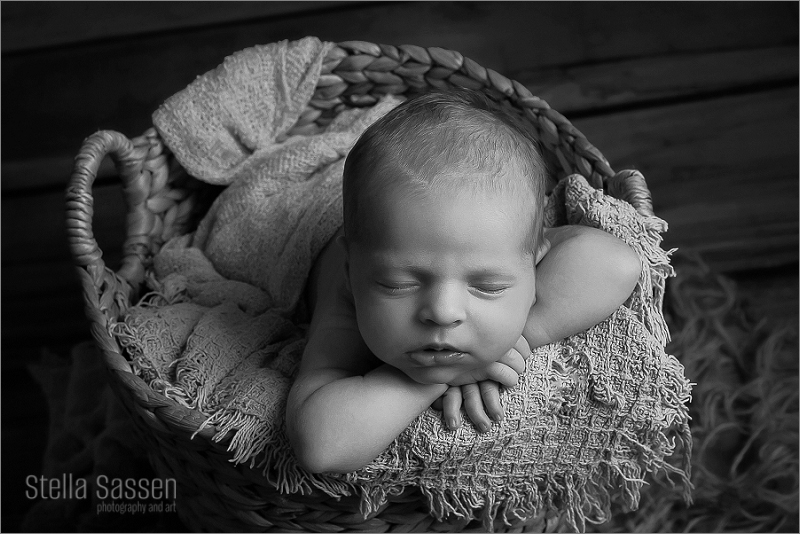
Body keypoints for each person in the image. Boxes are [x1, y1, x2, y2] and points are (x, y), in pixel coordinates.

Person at [285, 89, 641, 474]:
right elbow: (321, 446)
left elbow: (616, 263)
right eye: (397, 284)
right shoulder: (347, 300)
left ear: (534, 261)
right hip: (312, 211)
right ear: (352, 272)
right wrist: (427, 382)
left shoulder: (494, 238)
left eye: (488, 287)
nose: (443, 312)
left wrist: (513, 341)